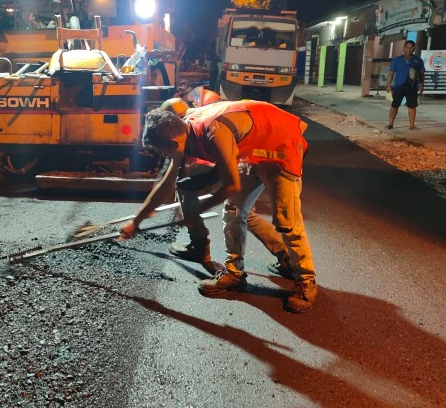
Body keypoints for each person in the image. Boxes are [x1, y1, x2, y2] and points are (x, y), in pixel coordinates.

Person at [120, 100, 317, 313]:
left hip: (282, 146)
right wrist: (136, 221)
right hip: (253, 149)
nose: (166, 158)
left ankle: (306, 280)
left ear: (173, 144)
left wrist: (197, 211)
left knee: (286, 220)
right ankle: (234, 274)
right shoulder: (182, 131)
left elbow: (232, 185)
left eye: (164, 153)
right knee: (234, 211)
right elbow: (166, 184)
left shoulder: (214, 133)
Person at [386, 40, 425, 130]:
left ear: (414, 49)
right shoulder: (397, 60)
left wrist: (422, 84)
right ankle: (390, 123)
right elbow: (391, 73)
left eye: (411, 47)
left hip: (412, 86)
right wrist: (388, 85)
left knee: (412, 106)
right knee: (395, 105)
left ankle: (412, 125)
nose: (408, 49)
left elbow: (422, 74)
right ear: (404, 48)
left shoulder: (418, 60)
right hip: (399, 85)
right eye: (407, 47)